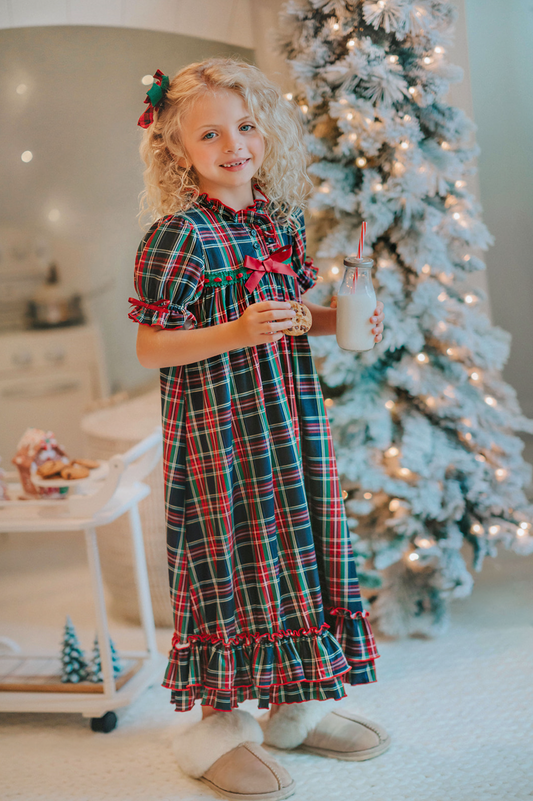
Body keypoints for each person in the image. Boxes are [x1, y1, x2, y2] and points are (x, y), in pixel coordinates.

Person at [129, 58, 388, 801]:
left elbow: (293, 315)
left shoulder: (279, 222)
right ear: (178, 149)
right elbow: (151, 346)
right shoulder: (178, 236)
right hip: (219, 432)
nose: (233, 144)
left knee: (296, 546)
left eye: (244, 126)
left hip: (289, 421)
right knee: (231, 556)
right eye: (209, 133)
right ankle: (219, 726)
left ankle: (293, 710)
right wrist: (237, 331)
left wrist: (344, 320)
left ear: (266, 130)